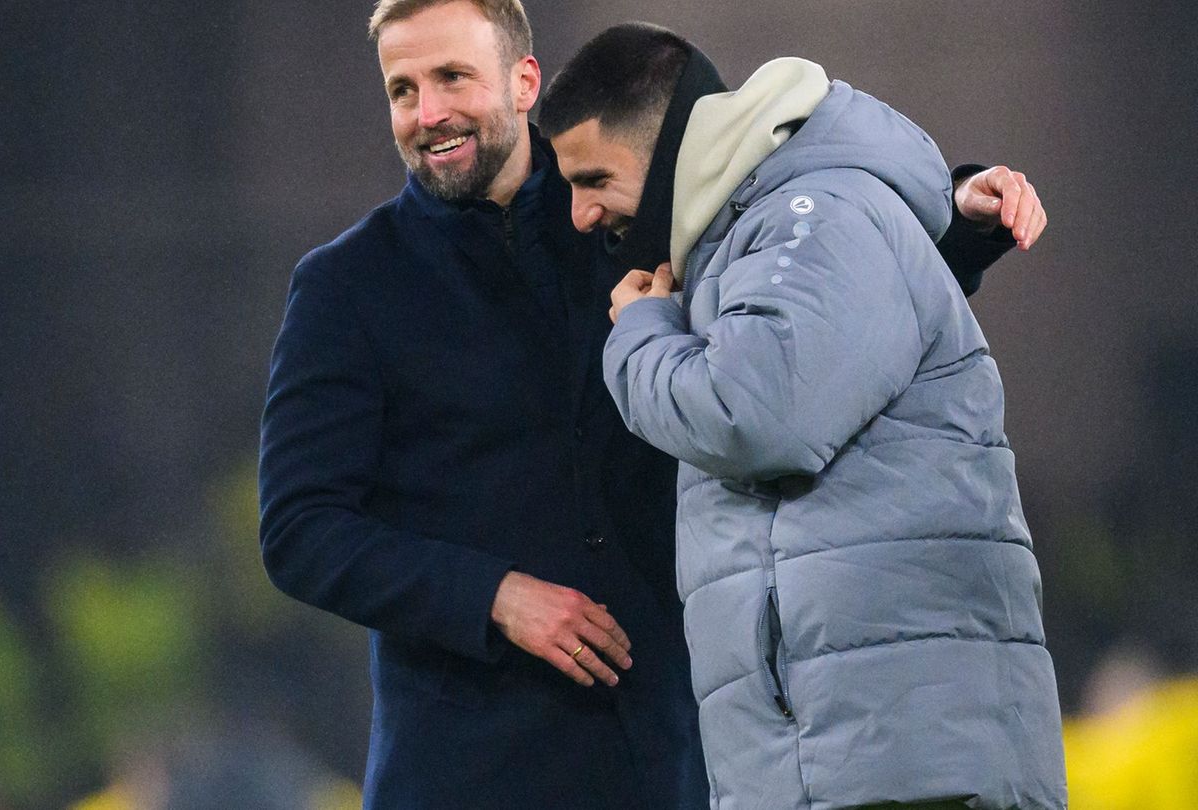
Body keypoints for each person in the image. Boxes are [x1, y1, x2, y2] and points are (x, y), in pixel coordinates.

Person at [258, 2, 1047, 807]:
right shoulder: (346, 287)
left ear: (525, 81)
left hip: (678, 745)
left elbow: (794, 237)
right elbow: (299, 530)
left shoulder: (639, 214)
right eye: (402, 89)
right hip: (469, 764)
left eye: (452, 78)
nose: (428, 114)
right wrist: (492, 597)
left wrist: (953, 216)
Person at [540, 22, 1066, 810]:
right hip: (850, 759)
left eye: (592, 179)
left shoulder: (812, 216)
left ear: (670, 149)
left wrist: (641, 335)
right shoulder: (755, 235)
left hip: (901, 765)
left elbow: (754, 418)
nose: (581, 214)